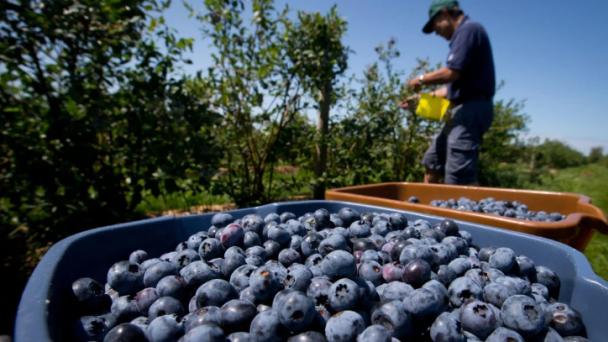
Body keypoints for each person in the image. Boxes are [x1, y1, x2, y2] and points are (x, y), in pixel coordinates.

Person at [400, 0, 495, 185]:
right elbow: (453, 89)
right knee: (433, 160)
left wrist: (421, 80)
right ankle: (428, 209)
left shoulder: (468, 30)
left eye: (435, 25)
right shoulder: (466, 33)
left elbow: (451, 72)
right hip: (463, 109)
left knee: (459, 176)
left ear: (444, 14)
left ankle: (463, 211)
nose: (436, 32)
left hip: (471, 110)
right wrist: (419, 99)